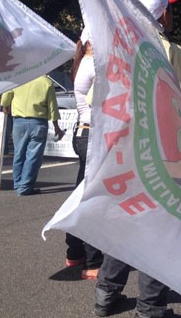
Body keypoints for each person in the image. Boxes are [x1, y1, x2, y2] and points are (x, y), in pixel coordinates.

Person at [93, 0, 181, 318]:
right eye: (169, 8)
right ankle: (151, 307)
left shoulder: (116, 46)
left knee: (125, 219)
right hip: (160, 153)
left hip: (120, 149)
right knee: (157, 228)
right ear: (163, 15)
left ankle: (106, 294)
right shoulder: (169, 50)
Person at [64, 31, 103, 279]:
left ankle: (75, 251)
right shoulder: (94, 64)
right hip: (94, 135)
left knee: (82, 194)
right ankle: (92, 261)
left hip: (84, 133)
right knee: (92, 198)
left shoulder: (83, 62)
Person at [0, 76, 64, 196]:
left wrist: (5, 105)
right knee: (33, 156)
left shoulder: (19, 78)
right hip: (38, 122)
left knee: (19, 154)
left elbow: (6, 97)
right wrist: (56, 126)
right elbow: (52, 108)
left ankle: (18, 183)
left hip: (19, 122)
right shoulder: (47, 82)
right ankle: (25, 186)